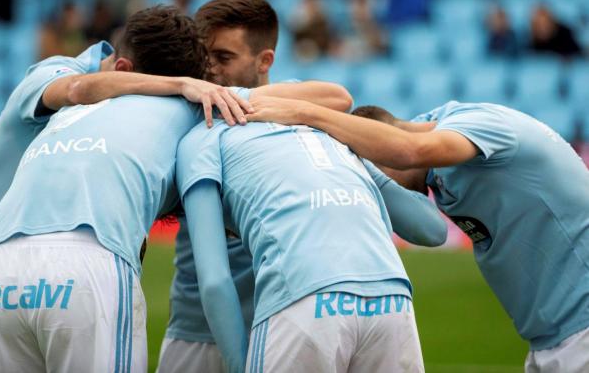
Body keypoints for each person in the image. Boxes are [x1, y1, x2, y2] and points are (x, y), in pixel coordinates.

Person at [0, 5, 250, 373]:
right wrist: (179, 85)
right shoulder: (54, 72)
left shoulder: (122, 106)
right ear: (127, 71)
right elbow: (79, 89)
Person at [158, 0, 446, 373]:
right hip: (203, 327)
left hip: (287, 310)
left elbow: (338, 97)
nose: (209, 72)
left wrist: (234, 100)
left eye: (223, 58)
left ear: (265, 61)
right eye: (203, 57)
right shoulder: (195, 110)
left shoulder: (303, 113)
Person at [245, 98, 589, 372]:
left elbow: (411, 150)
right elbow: (433, 233)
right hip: (551, 337)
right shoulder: (439, 174)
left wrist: (308, 113)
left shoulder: (477, 121)